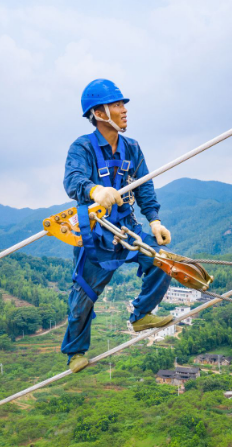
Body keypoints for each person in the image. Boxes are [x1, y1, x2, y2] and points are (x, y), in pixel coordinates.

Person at [61, 79, 173, 373]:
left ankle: (141, 315)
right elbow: (72, 180)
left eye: (123, 104)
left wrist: (155, 220)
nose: (124, 110)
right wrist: (95, 191)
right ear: (99, 113)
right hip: (96, 235)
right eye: (117, 105)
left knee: (162, 261)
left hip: (126, 229)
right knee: (83, 294)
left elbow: (144, 187)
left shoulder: (132, 149)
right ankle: (75, 353)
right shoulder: (82, 147)